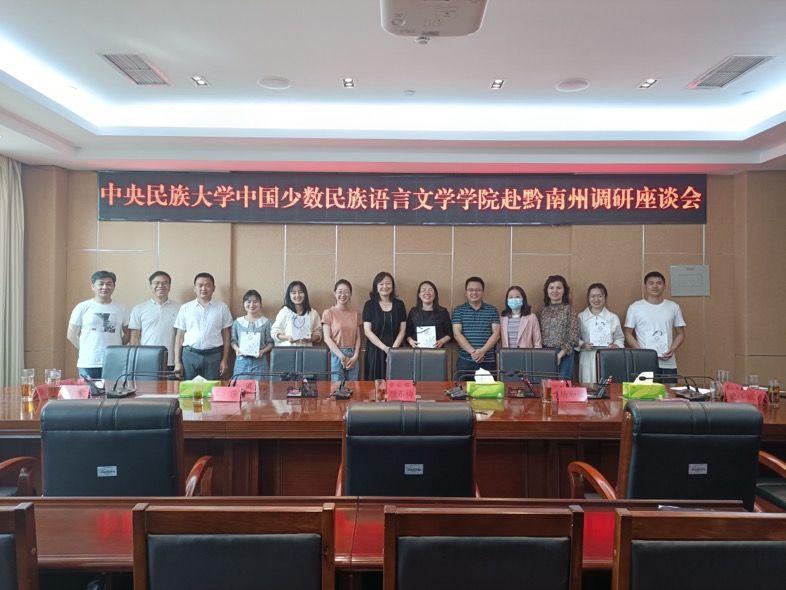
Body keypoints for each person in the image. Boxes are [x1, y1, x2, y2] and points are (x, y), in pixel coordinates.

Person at [624, 271, 686, 382]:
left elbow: (681, 334)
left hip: (668, 363)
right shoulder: (635, 307)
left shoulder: (673, 307)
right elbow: (628, 333)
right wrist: (640, 352)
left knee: (669, 392)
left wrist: (672, 349)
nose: (655, 286)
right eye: (651, 283)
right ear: (645, 286)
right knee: (644, 393)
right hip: (644, 362)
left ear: (664, 286)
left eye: (659, 283)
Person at [67, 270, 130, 379]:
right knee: (89, 390)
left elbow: (128, 334)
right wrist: (86, 348)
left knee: (114, 390)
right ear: (93, 286)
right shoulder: (82, 307)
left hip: (114, 362)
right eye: (101, 284)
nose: (105, 287)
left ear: (114, 287)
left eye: (109, 284)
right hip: (88, 362)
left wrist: (117, 348)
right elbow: (71, 335)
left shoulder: (122, 308)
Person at [173, 272, 233, 380]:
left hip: (214, 355)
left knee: (212, 388)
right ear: (194, 288)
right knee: (190, 388)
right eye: (200, 285)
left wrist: (224, 360)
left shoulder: (222, 308)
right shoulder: (185, 308)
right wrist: (177, 362)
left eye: (207, 285)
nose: (203, 288)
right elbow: (179, 336)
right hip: (190, 355)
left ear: (213, 288)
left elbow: (226, 336)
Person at [128, 270, 180, 372]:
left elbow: (181, 337)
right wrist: (135, 361)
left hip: (171, 361)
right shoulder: (139, 309)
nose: (161, 286)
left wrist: (178, 362)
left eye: (165, 283)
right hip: (146, 360)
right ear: (151, 286)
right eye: (156, 283)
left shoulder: (180, 308)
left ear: (170, 286)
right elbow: (134, 338)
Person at [577, 283, 625, 384]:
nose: (596, 299)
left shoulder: (613, 317)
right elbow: (575, 338)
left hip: (608, 356)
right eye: (593, 296)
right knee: (588, 385)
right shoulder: (580, 317)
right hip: (588, 356)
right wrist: (583, 344)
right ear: (588, 298)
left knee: (608, 386)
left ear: (605, 297)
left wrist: (616, 345)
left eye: (600, 296)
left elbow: (619, 338)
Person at [452, 276, 501, 376]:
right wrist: (474, 353)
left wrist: (482, 351)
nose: (474, 292)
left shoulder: (492, 310)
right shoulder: (458, 310)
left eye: (478, 290)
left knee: (489, 386)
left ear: (483, 292)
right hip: (465, 360)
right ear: (466, 292)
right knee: (462, 386)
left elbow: (496, 334)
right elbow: (457, 334)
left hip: (488, 360)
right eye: (471, 290)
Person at [362, 272, 407, 380]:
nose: (385, 286)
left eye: (388, 283)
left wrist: (392, 350)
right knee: (375, 385)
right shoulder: (369, 305)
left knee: (395, 382)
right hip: (375, 351)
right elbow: (367, 331)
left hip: (396, 349)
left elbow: (402, 330)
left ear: (392, 286)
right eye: (381, 284)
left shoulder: (399, 304)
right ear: (376, 287)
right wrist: (385, 348)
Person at [537, 275, 579, 379]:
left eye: (559, 288)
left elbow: (573, 337)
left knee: (562, 384)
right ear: (547, 290)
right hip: (546, 353)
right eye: (551, 288)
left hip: (565, 354)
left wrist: (559, 355)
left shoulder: (570, 310)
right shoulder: (542, 311)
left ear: (564, 290)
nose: (555, 291)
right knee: (546, 385)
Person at [322, 279, 363, 381]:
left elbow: (358, 337)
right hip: (336, 355)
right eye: (339, 291)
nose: (343, 295)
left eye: (346, 292)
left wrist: (355, 356)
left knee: (353, 388)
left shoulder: (356, 314)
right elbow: (327, 338)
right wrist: (342, 356)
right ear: (335, 294)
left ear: (350, 294)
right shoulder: (328, 313)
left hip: (352, 355)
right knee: (337, 387)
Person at [231, 289, 274, 378]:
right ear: (244, 304)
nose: (252, 305)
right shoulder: (237, 322)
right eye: (248, 302)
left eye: (255, 302)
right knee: (241, 385)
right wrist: (237, 349)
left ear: (260, 304)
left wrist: (262, 351)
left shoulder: (266, 323)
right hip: (241, 362)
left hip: (260, 362)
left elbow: (270, 343)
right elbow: (233, 341)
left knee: (261, 386)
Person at [271, 281, 323, 346]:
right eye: (294, 293)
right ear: (289, 295)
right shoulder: (284, 312)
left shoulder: (313, 313)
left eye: (300, 292)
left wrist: (311, 339)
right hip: (287, 350)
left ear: (305, 294)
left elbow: (318, 332)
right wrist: (287, 338)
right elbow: (274, 332)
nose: (297, 295)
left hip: (306, 350)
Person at [405, 280, 452, 348]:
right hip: (417, 350)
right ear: (419, 295)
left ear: (435, 294)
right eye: (423, 290)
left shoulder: (443, 312)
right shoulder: (413, 312)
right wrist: (411, 341)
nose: (427, 293)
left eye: (430, 290)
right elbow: (407, 333)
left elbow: (450, 333)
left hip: (437, 351)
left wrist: (442, 341)